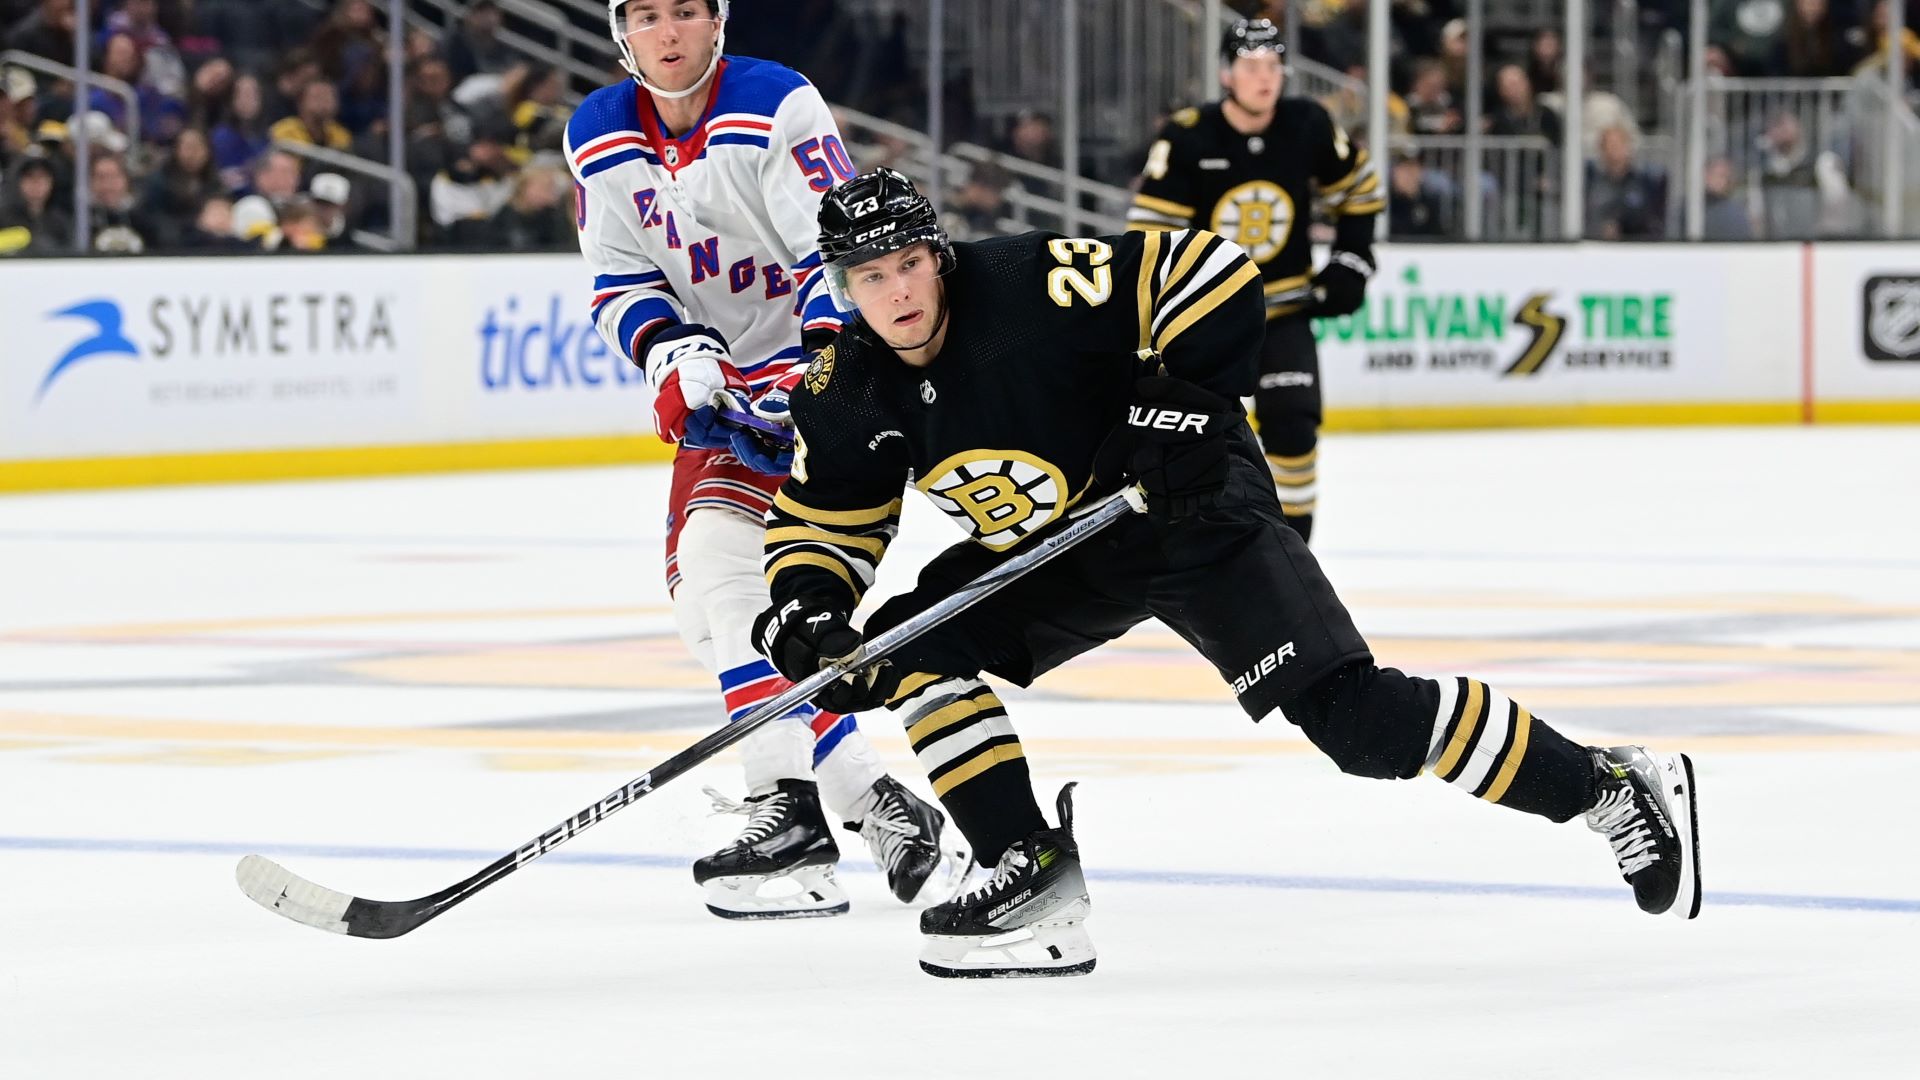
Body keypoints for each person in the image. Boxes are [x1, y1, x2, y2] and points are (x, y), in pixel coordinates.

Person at [753, 167, 1704, 979]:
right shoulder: (848, 389)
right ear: (845, 284)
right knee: (906, 648)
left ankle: (1607, 786)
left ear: (939, 255)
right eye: (873, 276)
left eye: (911, 264)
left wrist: (1182, 405)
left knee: (1359, 724)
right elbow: (826, 519)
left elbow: (1206, 269)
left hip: (1187, 502)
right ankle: (1026, 870)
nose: (900, 293)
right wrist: (804, 605)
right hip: (1070, 544)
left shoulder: (1028, 285)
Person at [565, 0, 964, 919]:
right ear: (625, 31)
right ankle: (865, 795)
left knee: (720, 563)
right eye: (651, 15)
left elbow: (843, 258)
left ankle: (785, 810)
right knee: (704, 612)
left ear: (719, 21)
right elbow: (620, 277)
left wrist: (812, 380)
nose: (672, 33)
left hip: (827, 374)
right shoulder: (594, 133)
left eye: (690, 12)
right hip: (729, 384)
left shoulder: (778, 105)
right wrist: (671, 349)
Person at [1127, 19, 1381, 543]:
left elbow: (1360, 189)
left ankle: (1293, 550)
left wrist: (1353, 258)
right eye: (1250, 66)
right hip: (1207, 318)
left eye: (1272, 67)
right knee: (1197, 437)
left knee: (1293, 425)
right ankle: (1209, 546)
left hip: (1283, 310)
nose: (1264, 78)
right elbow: (1149, 236)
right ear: (1226, 74)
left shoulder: (1308, 123)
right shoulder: (1189, 135)